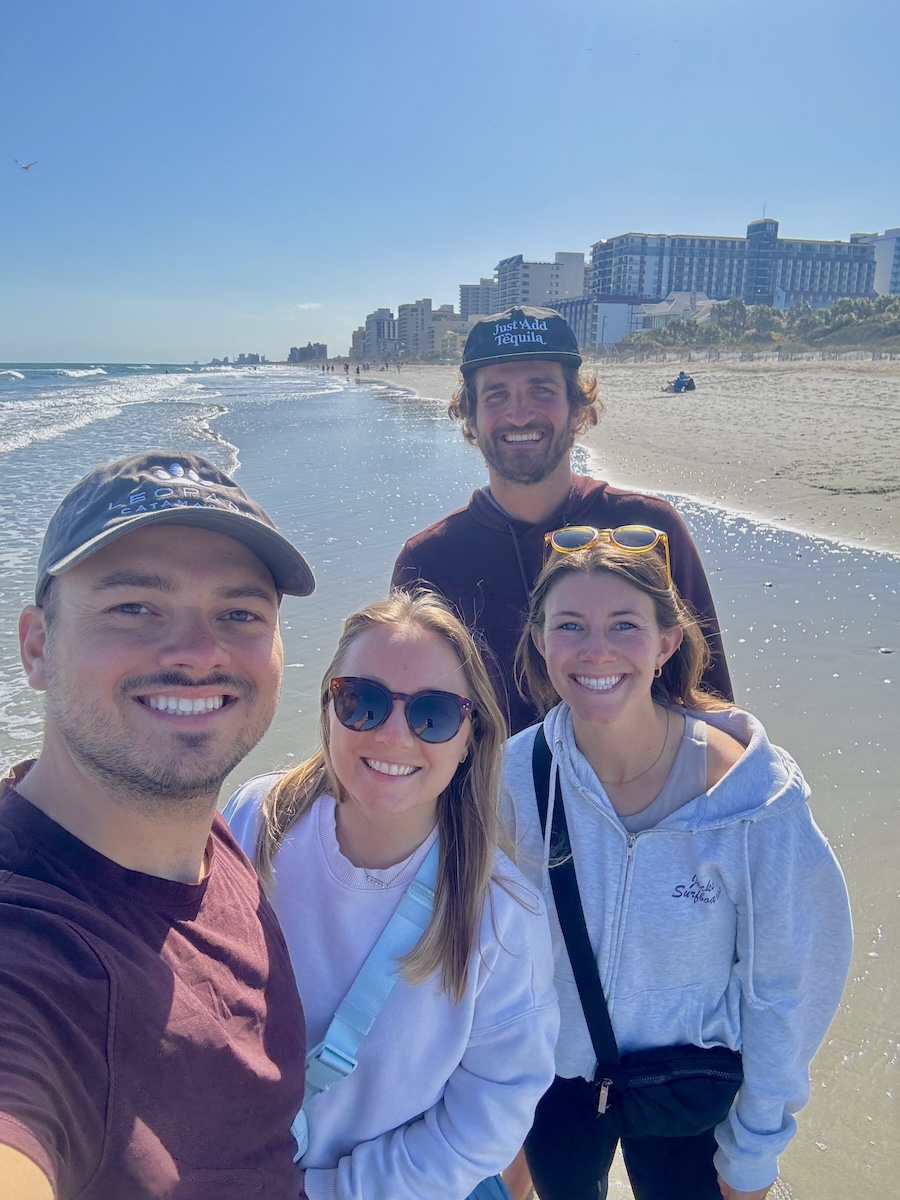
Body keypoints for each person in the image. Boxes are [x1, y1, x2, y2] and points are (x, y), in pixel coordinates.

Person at [0, 452, 317, 1200]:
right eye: (134, 607)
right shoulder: (34, 955)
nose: (200, 653)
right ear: (38, 647)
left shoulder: (205, 834)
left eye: (239, 613)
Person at [500, 529, 852, 1200]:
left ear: (667, 643)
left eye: (624, 625)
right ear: (541, 641)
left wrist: (753, 1150)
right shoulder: (509, 783)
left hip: (692, 1089)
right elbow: (478, 958)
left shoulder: (753, 799)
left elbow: (788, 990)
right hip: (555, 1089)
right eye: (569, 624)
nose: (595, 649)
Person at [224, 590, 559, 1200]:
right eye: (364, 702)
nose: (394, 736)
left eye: (433, 714)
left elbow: (493, 1111)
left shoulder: (502, 915)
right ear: (328, 707)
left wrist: (332, 1191)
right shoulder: (257, 819)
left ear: (469, 737)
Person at [391, 305, 731, 734]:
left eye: (541, 391)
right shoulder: (430, 560)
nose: (519, 414)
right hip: (493, 800)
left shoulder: (646, 529)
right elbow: (403, 723)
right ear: (471, 418)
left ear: (576, 408)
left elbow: (710, 699)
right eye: (496, 394)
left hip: (647, 795)